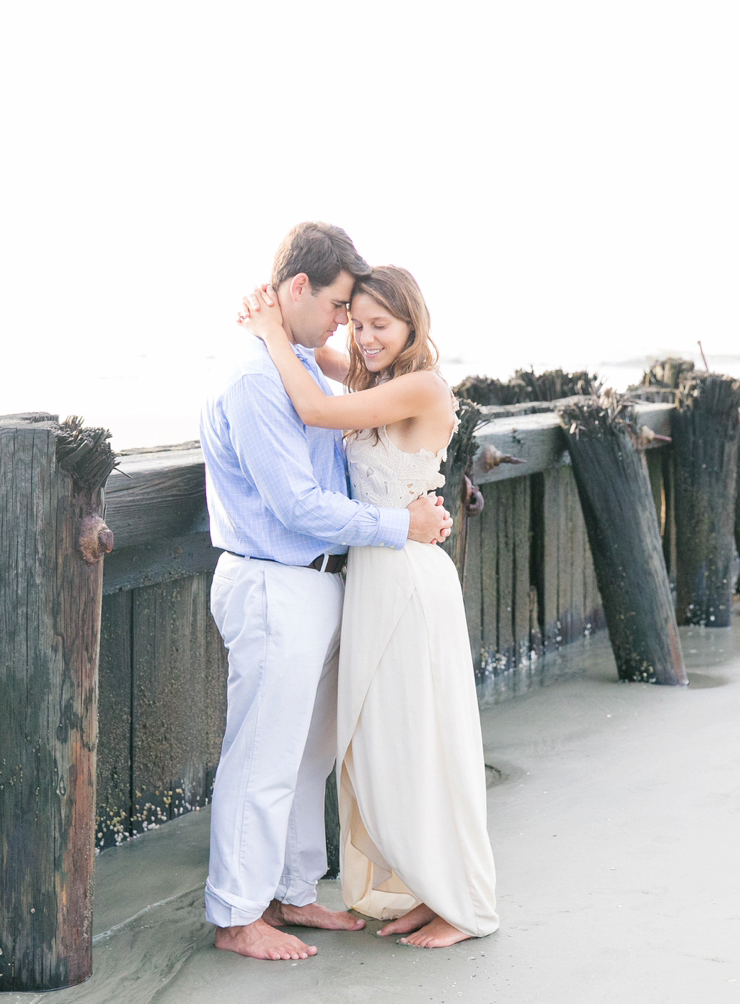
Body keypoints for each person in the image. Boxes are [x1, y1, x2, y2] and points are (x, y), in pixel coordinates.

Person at [200, 222, 454, 962]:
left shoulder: (301, 361)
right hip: (274, 582)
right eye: (342, 306)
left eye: (364, 314)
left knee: (308, 757)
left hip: (319, 584)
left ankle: (294, 891)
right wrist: (400, 524)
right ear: (298, 290)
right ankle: (236, 915)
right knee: (262, 757)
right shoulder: (256, 379)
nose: (348, 323)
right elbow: (297, 506)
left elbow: (349, 417)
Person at [238, 264, 499, 948]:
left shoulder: (420, 385)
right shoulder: (372, 376)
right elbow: (314, 350)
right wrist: (282, 320)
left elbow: (315, 407)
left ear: (413, 324)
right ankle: (423, 886)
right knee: (381, 750)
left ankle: (463, 905)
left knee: (423, 744)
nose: (365, 336)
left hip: (409, 583)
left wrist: (272, 333)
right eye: (357, 321)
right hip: (374, 583)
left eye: (381, 324)